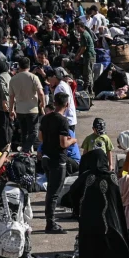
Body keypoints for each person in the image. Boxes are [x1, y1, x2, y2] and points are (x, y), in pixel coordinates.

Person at [65, 149, 129, 258]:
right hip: (107, 226)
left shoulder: (86, 177)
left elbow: (69, 196)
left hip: (88, 226)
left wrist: (80, 209)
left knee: (89, 257)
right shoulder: (112, 178)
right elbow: (117, 203)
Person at [38, 91, 76, 234]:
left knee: (50, 192)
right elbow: (63, 143)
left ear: (54, 103)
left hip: (46, 158)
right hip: (57, 160)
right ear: (66, 104)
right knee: (54, 193)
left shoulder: (45, 119)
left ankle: (50, 221)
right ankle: (51, 223)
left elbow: (40, 137)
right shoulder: (63, 121)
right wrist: (73, 140)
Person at [9, 57, 45, 152]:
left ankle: (25, 153)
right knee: (34, 132)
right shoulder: (33, 77)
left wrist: (11, 110)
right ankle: (25, 150)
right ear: (29, 66)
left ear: (19, 66)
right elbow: (41, 93)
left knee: (24, 133)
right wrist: (42, 104)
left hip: (20, 110)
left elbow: (11, 97)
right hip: (32, 109)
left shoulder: (13, 79)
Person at [0, 59, 13, 148]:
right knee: (7, 124)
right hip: (10, 103)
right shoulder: (8, 75)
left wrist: (4, 101)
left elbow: (3, 90)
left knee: (2, 125)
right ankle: (8, 142)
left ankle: (3, 145)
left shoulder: (0, 77)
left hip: (1, 105)